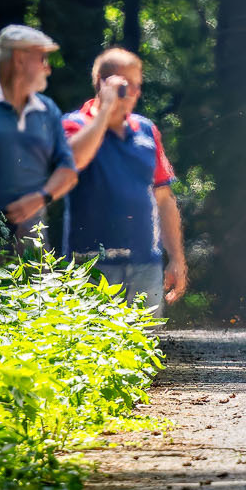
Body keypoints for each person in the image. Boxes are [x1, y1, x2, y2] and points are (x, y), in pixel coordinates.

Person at [63, 48, 187, 312]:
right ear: (103, 84)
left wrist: (176, 258)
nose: (136, 93)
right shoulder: (74, 124)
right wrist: (105, 112)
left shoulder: (146, 130)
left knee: (148, 338)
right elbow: (73, 161)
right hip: (91, 264)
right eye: (127, 85)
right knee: (93, 337)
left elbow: (164, 199)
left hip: (146, 263)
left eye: (138, 85)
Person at [0, 25, 79, 249]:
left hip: (32, 244)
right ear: (19, 59)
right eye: (43, 59)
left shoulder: (47, 109)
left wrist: (41, 198)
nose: (48, 69)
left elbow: (68, 171)